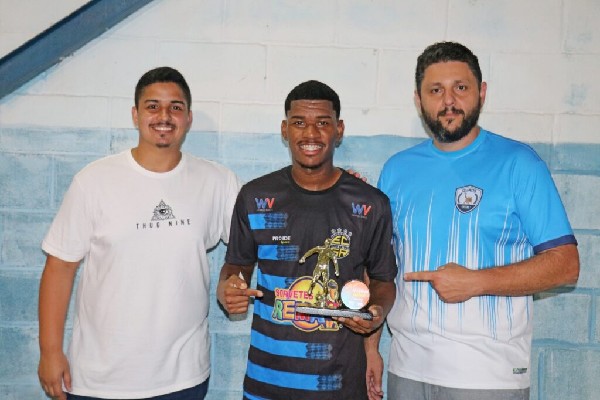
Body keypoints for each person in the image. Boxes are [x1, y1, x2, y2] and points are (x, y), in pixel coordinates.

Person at [377, 41, 580, 399]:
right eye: (436, 90)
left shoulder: (519, 163)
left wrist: (476, 281)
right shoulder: (396, 170)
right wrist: (369, 347)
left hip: (488, 374)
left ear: (481, 93)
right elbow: (381, 268)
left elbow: (566, 266)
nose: (449, 101)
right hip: (406, 368)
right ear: (418, 99)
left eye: (461, 87)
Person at [38, 67, 241, 400]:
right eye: (152, 106)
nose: (164, 116)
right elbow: (59, 268)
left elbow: (251, 247)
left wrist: (231, 282)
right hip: (99, 380)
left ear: (188, 118)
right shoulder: (94, 181)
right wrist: (50, 351)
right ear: (135, 115)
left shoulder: (217, 181)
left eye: (175, 107)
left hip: (182, 378)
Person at [216, 80, 397, 400]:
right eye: (299, 123)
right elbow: (236, 266)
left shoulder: (371, 204)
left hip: (340, 386)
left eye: (323, 123)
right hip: (267, 382)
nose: (310, 134)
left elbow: (383, 280)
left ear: (339, 130)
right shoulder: (255, 196)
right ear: (285, 129)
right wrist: (229, 288)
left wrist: (376, 311)